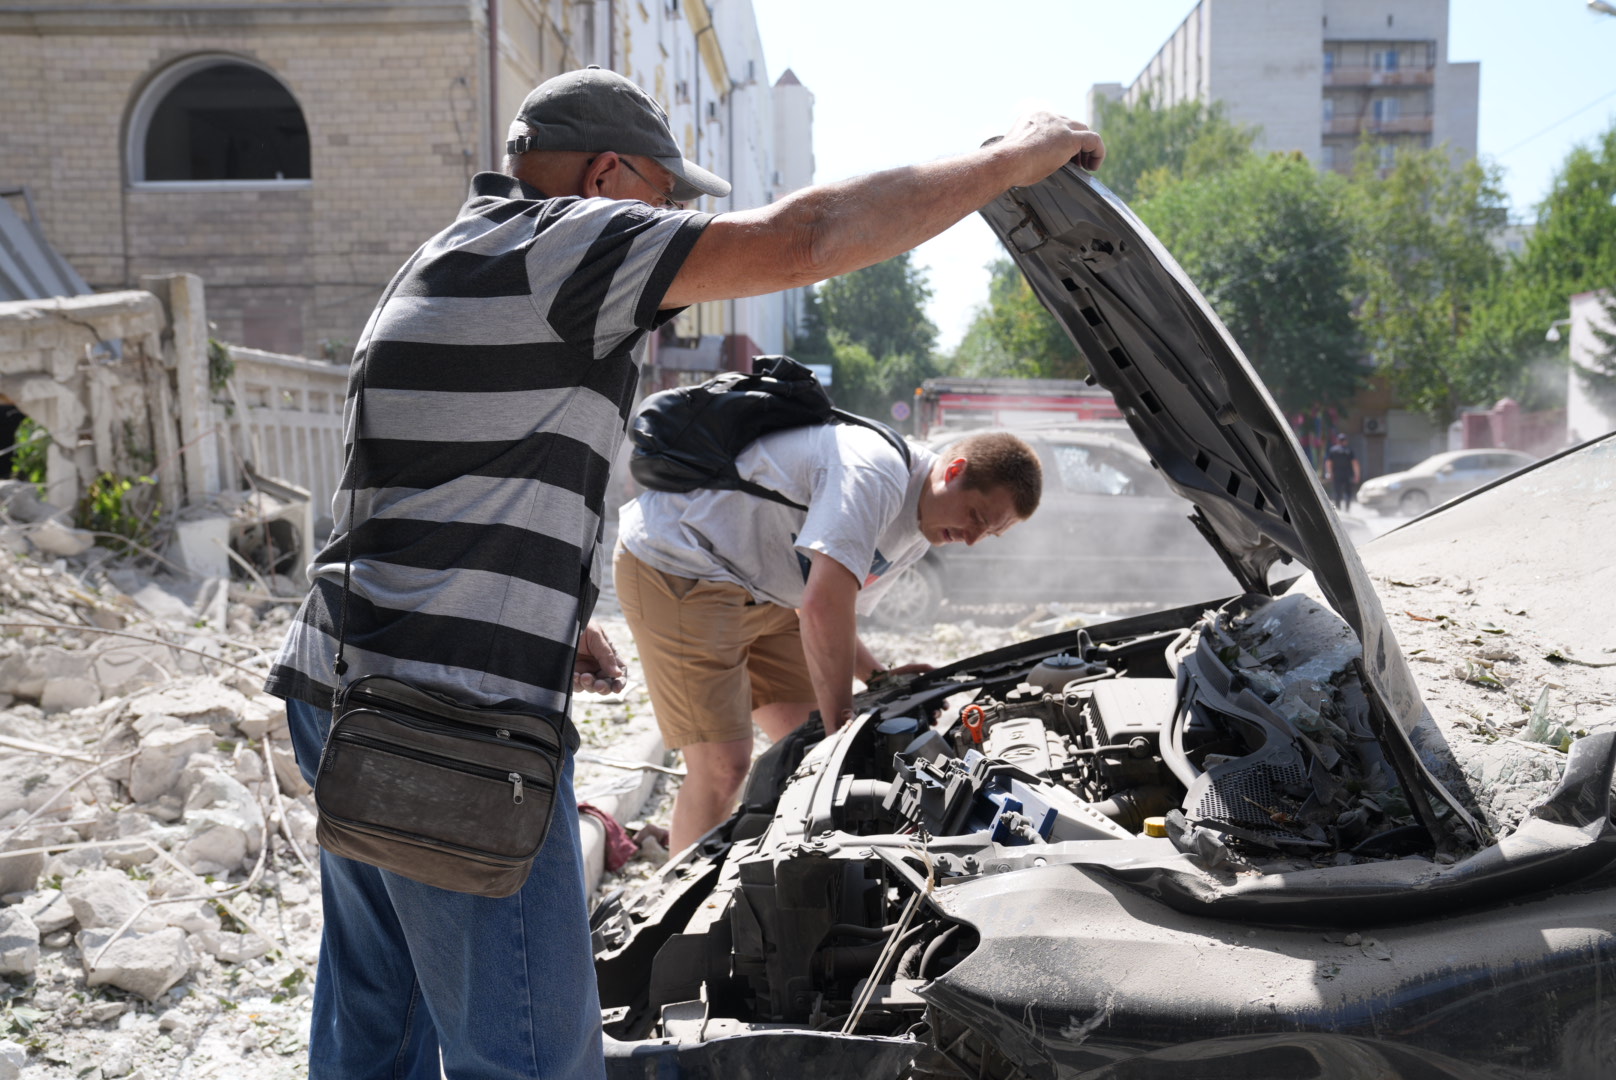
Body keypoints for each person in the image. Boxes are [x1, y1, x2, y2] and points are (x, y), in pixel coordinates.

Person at [264, 63, 1102, 1078]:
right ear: (609, 176)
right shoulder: (570, 239)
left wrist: (553, 620)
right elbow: (808, 237)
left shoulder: (454, 254)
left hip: (346, 691)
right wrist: (1006, 162)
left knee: (374, 1024)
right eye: (664, 203)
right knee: (529, 1054)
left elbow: (422, 474)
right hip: (455, 727)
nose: (669, 235)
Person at [616, 428, 1042, 853]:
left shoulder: (923, 525)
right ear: (954, 471)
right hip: (678, 559)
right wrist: (841, 725)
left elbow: (829, 606)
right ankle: (685, 911)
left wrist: (878, 679)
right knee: (723, 766)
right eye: (977, 517)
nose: (970, 539)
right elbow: (821, 607)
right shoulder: (875, 474)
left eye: (988, 533)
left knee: (806, 750)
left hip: (759, 589)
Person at [1324, 432, 1360, 511]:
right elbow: (1355, 463)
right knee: (1348, 492)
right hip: (1348, 475)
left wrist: (1330, 473)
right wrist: (1357, 475)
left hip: (1337, 474)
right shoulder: (1349, 451)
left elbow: (1329, 463)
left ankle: (1338, 509)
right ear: (1345, 441)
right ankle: (1347, 509)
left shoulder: (1333, 450)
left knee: (1338, 492)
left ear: (1338, 441)